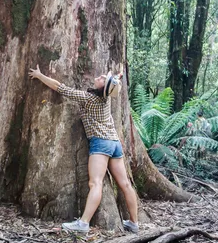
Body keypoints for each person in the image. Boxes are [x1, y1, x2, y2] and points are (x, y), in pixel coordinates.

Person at [28, 65, 139, 233]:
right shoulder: (106, 96)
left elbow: (61, 88)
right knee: (125, 184)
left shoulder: (88, 98)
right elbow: (114, 82)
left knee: (95, 183)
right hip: (115, 144)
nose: (101, 76)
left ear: (103, 86)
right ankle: (134, 223)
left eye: (103, 78)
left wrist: (40, 75)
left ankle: (83, 224)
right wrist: (119, 73)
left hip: (101, 143)